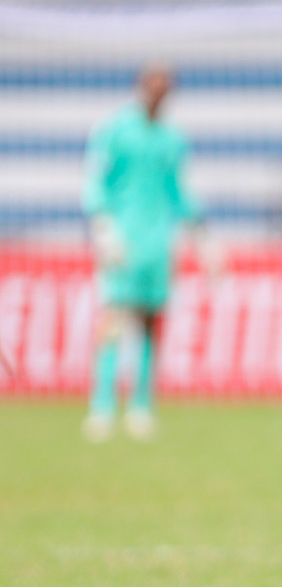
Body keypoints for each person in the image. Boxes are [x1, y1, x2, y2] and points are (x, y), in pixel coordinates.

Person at [82, 64, 210, 441]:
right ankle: (102, 405)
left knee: (151, 322)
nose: (158, 96)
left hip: (158, 242)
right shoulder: (115, 131)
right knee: (114, 317)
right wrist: (103, 227)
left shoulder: (172, 139)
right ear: (141, 89)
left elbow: (179, 190)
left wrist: (202, 234)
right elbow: (96, 181)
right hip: (122, 237)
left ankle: (141, 405)